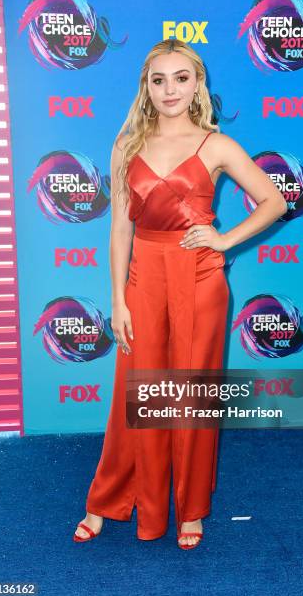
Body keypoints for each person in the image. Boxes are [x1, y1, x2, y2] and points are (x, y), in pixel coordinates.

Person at [73, 39, 287, 549]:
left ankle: (190, 508)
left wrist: (225, 239)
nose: (170, 89)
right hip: (143, 277)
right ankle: (107, 500)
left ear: (198, 85)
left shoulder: (215, 144)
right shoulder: (126, 143)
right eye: (159, 79)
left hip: (199, 277)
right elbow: (119, 231)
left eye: (181, 78)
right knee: (138, 395)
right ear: (146, 87)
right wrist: (119, 299)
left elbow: (274, 201)